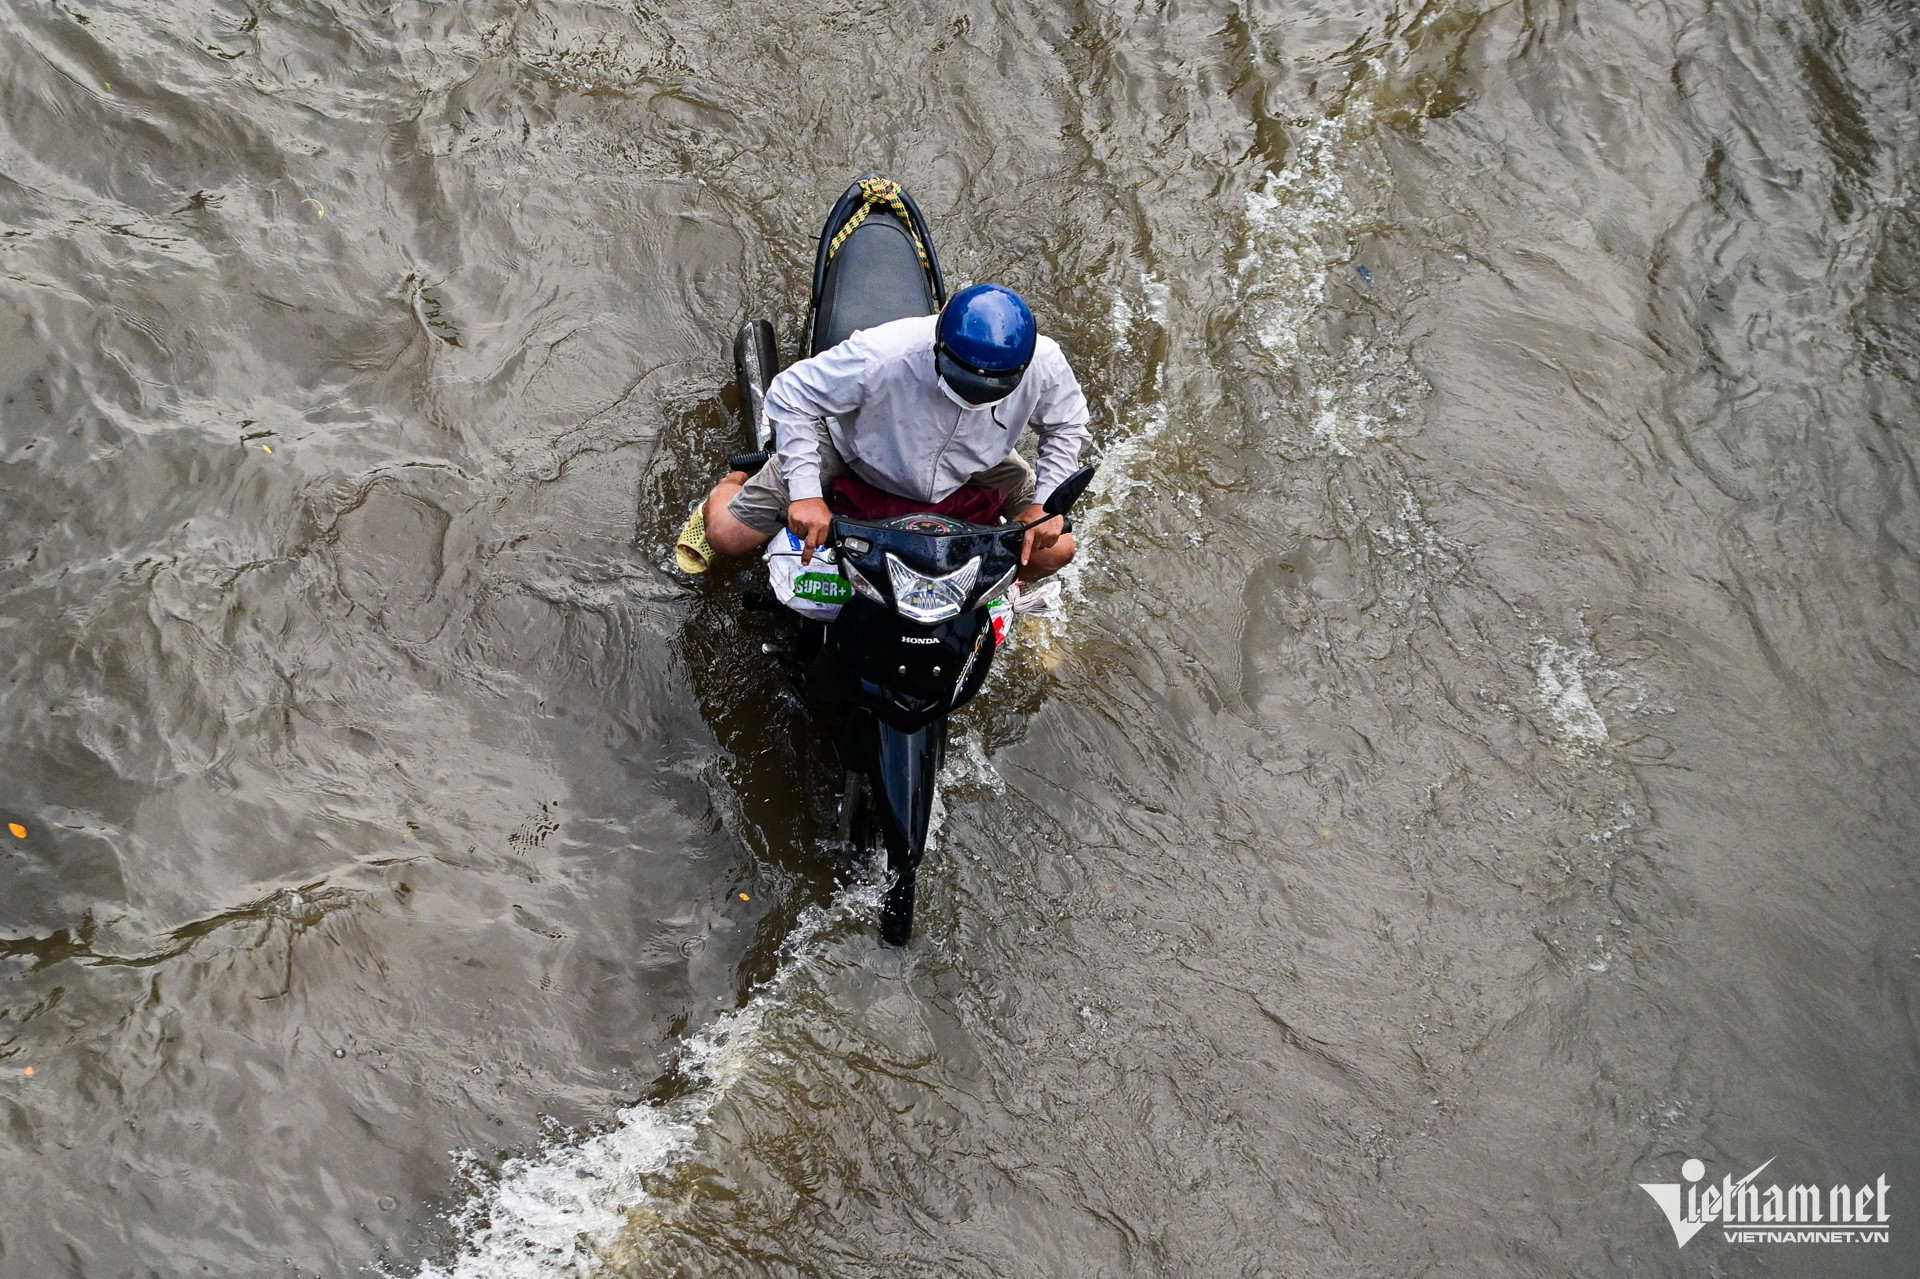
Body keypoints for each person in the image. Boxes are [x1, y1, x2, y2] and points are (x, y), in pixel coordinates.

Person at [700, 283, 1090, 580]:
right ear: (938, 349)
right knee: (727, 536)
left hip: (975, 464)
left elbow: (1067, 425)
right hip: (854, 453)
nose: (968, 402)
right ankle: (732, 483)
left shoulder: (1046, 363)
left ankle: (999, 590)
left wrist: (1047, 505)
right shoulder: (881, 355)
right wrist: (804, 494)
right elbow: (789, 393)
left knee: (1056, 550)